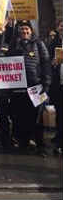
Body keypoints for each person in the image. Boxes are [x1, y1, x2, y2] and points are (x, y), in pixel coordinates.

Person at [7, 20, 51, 156]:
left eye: (27, 29)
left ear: (31, 31)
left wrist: (46, 83)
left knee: (38, 118)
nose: (24, 32)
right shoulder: (14, 44)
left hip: (36, 86)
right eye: (21, 29)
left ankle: (41, 146)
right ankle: (23, 144)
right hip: (19, 87)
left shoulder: (39, 44)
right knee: (21, 116)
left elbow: (46, 63)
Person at [49, 21, 63, 155]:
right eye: (61, 25)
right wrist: (52, 63)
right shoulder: (54, 42)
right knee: (60, 112)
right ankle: (59, 138)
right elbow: (48, 58)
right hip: (59, 83)